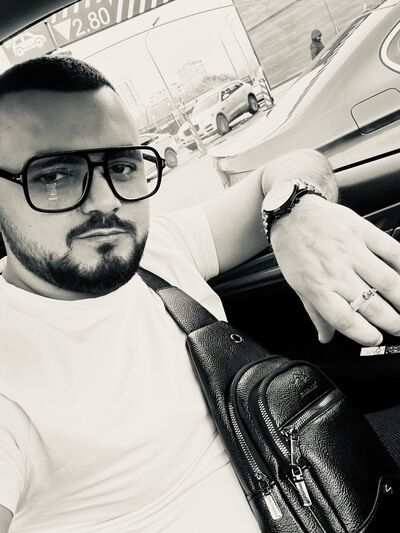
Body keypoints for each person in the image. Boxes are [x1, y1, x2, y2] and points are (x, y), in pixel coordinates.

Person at [0, 56, 398, 532]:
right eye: (53, 176)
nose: (106, 200)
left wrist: (296, 210)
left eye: (121, 166)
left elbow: (292, 165)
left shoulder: (160, 249)